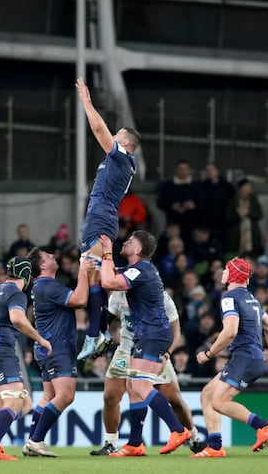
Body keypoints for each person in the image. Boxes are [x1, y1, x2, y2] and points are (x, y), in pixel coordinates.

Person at [96, 232, 190, 456]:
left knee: (140, 386)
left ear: (138, 250)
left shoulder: (141, 269)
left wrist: (107, 252)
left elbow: (108, 281)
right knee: (132, 386)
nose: (125, 242)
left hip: (153, 334)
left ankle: (179, 430)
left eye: (130, 241)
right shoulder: (139, 271)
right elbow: (110, 276)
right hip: (145, 335)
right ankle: (135, 443)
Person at [90, 289, 205, 456]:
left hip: (154, 350)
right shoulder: (118, 295)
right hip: (125, 349)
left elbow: (175, 330)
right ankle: (111, 443)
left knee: (174, 400)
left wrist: (167, 354)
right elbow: (106, 321)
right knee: (110, 395)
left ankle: (194, 439)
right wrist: (99, 337)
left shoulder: (160, 296)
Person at [191, 257, 268, 458]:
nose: (222, 272)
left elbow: (230, 331)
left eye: (225, 269)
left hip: (245, 357)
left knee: (218, 401)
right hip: (253, 358)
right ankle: (215, 446)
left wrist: (209, 354)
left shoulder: (229, 296)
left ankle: (262, 426)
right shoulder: (252, 299)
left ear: (233, 274)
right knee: (207, 394)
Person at [74, 77, 140, 360]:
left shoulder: (122, 157)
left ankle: (94, 334)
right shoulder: (118, 161)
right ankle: (98, 331)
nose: (111, 136)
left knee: (90, 270)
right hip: (102, 215)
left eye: (116, 135)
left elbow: (99, 129)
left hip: (101, 215)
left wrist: (87, 104)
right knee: (93, 274)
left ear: (124, 142)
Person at [0, 256, 52, 461]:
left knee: (25, 403)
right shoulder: (16, 293)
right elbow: (17, 319)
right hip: (1, 353)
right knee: (15, 402)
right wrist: (40, 339)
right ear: (25, 275)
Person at [22, 248, 93, 457]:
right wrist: (83, 271)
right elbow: (80, 300)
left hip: (46, 348)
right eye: (48, 255)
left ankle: (31, 440)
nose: (53, 256)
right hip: (57, 347)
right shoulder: (47, 285)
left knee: (49, 396)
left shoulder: (42, 286)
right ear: (43, 266)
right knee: (65, 395)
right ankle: (36, 440)